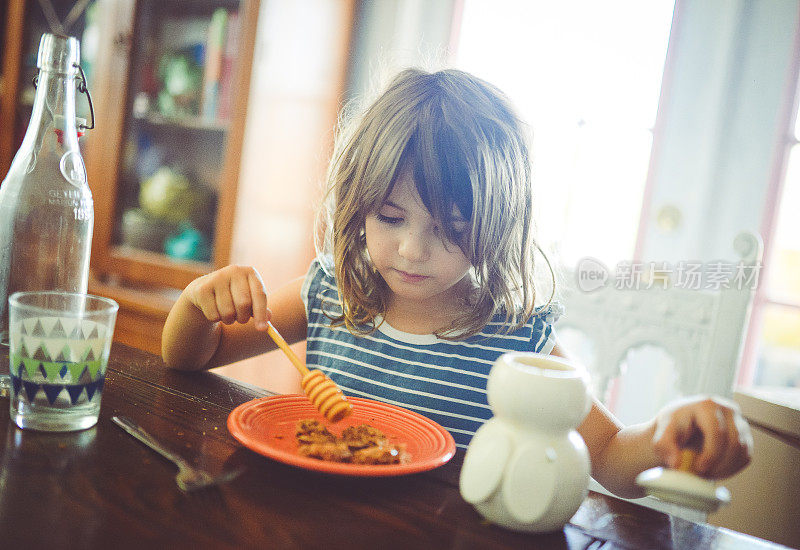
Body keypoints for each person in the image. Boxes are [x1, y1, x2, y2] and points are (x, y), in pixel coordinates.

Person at [161, 68, 752, 498]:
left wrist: (669, 434)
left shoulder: (518, 341)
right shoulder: (332, 291)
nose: (413, 250)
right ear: (357, 205)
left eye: (451, 229)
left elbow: (610, 458)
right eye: (389, 218)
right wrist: (196, 305)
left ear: (498, 226)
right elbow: (192, 359)